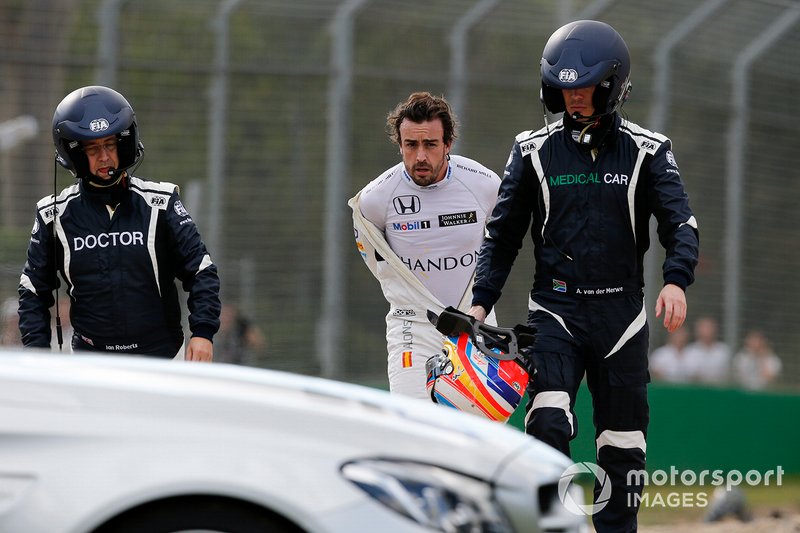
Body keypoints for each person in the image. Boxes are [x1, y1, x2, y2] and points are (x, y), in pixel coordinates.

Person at [466, 21, 699, 532]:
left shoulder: (649, 150)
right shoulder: (530, 151)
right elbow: (501, 236)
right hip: (556, 311)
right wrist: (481, 302)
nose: (574, 98)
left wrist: (677, 280)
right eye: (565, 87)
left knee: (623, 443)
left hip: (623, 316)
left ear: (612, 86)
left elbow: (681, 222)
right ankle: (552, 526)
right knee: (547, 421)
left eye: (585, 86)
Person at [18, 85, 220, 361]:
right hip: (92, 365)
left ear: (125, 144)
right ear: (73, 153)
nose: (104, 157)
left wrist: (202, 333)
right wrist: (37, 357)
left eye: (110, 144)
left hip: (164, 358)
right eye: (92, 148)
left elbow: (201, 270)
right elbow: (33, 291)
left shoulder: (161, 202)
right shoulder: (52, 215)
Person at [348, 92, 501, 399]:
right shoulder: (375, 199)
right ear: (399, 144)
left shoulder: (484, 185)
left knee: (479, 435)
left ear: (448, 144)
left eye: (430, 145)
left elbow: (504, 245)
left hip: (476, 321)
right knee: (411, 429)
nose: (420, 156)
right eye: (410, 145)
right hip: (412, 327)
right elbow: (374, 258)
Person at [683, 316, 730, 385]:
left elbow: (727, 374)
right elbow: (690, 375)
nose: (706, 330)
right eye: (703, 327)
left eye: (709, 327)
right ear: (697, 330)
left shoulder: (723, 350)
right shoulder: (690, 351)